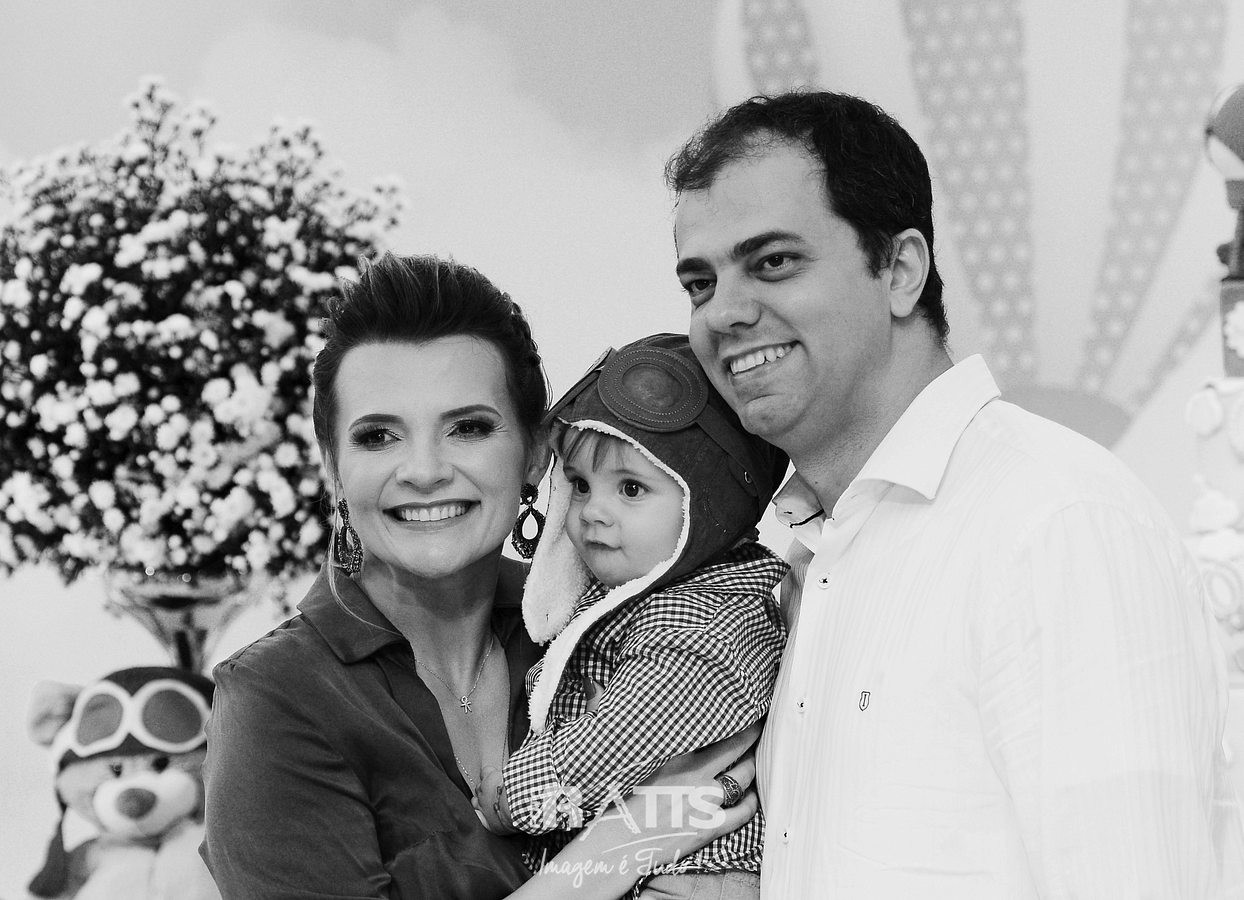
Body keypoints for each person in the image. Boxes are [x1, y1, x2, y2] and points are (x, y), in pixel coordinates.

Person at [666, 91, 1243, 898]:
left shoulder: (1056, 523)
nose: (723, 313)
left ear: (901, 271)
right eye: (699, 283)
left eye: (773, 263)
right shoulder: (801, 561)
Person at [201, 253, 760, 900]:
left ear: (537, 453)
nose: (424, 471)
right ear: (333, 469)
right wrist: (616, 851)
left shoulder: (623, 623)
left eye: (468, 428)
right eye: (378, 436)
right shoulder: (277, 695)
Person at [475, 333, 789, 900]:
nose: (593, 511)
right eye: (579, 484)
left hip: (693, 880)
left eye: (631, 488)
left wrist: (515, 797)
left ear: (706, 508)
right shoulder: (629, 595)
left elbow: (616, 740)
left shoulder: (706, 625)